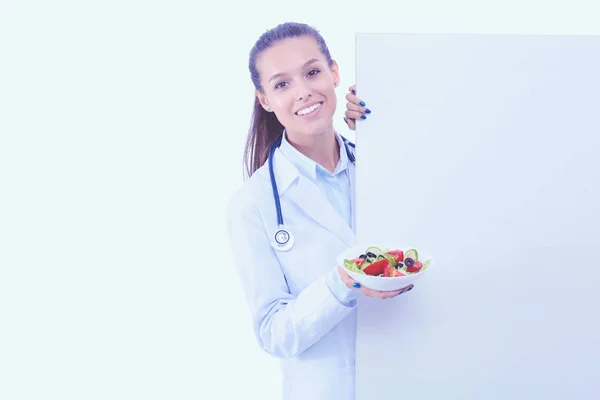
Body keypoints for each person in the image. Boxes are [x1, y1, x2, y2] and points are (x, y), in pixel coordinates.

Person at [227, 22, 414, 400]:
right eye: (281, 84)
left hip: (413, 376)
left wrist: (388, 126)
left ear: (334, 73)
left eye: (312, 72)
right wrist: (341, 284)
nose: (303, 92)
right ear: (264, 99)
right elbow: (273, 332)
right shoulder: (253, 203)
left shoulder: (382, 164)